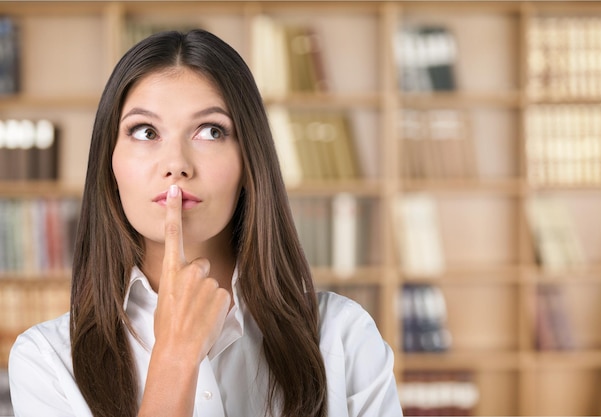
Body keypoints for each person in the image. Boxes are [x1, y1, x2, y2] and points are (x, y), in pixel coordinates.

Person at [8, 29, 402, 417]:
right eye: (145, 132)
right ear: (109, 163)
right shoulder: (47, 361)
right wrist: (175, 357)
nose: (176, 163)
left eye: (210, 131)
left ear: (250, 162)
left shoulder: (343, 336)